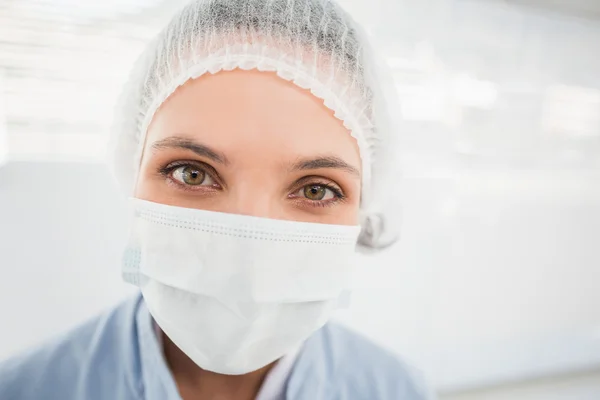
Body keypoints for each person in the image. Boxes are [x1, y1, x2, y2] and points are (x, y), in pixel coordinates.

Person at [0, 0, 433, 399]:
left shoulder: (398, 390)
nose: (247, 249)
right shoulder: (25, 389)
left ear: (363, 212)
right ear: (132, 179)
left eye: (315, 189)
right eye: (192, 173)